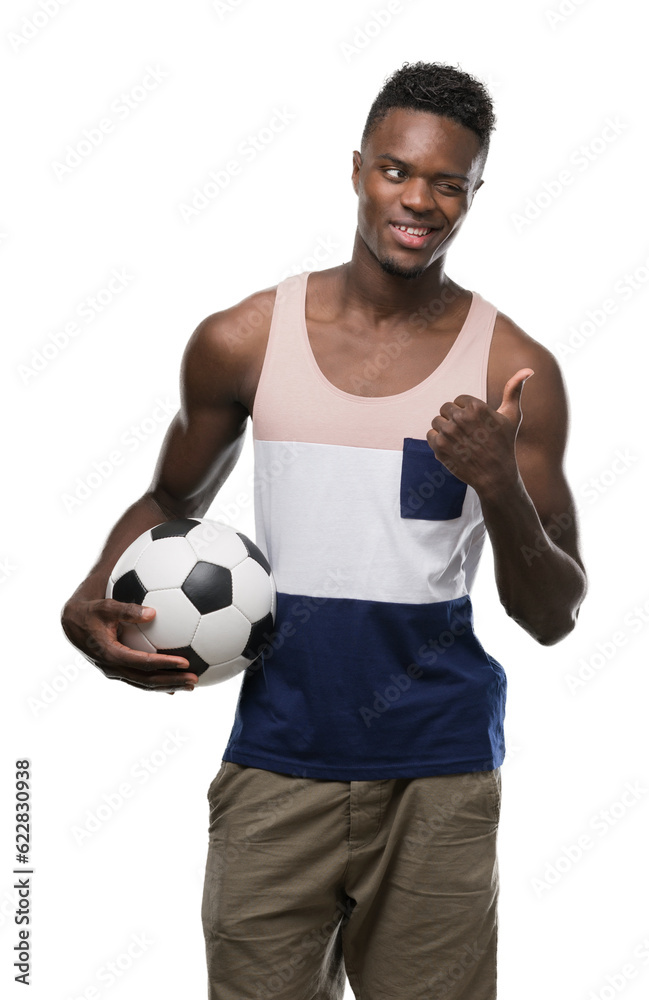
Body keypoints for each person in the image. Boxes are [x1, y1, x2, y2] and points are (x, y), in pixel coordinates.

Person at [62, 60, 587, 1000]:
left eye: (447, 184)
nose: (417, 201)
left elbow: (554, 614)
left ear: (472, 196)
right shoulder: (244, 337)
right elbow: (168, 502)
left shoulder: (512, 367)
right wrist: (87, 597)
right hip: (275, 759)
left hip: (438, 773)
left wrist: (498, 485)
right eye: (396, 170)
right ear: (356, 168)